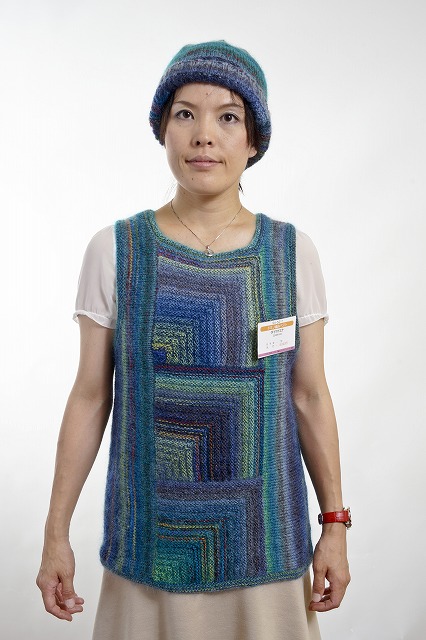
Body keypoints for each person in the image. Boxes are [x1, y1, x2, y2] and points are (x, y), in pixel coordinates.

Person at [36, 40, 350, 640]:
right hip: (148, 557)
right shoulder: (116, 251)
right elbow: (90, 396)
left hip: (266, 554)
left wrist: (334, 523)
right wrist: (56, 534)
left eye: (228, 117)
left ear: (253, 141)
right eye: (185, 114)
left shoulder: (291, 254)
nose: (204, 135)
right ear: (162, 129)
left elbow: (309, 395)